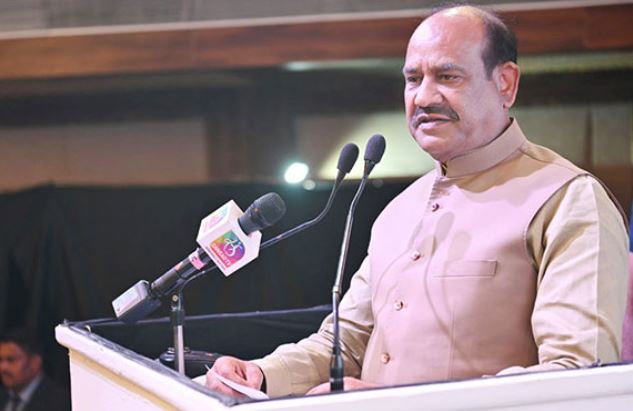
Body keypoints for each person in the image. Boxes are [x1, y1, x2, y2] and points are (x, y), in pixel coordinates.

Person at [205, 5, 629, 397]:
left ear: (505, 83)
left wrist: (394, 404)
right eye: (413, 79)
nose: (423, 97)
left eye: (447, 77)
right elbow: (346, 344)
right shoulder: (398, 211)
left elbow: (575, 378)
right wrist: (261, 374)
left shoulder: (567, 201)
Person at [0, 329, 70, 411]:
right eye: (0, 360)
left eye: (11, 359)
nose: (3, 367)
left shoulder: (61, 402)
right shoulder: (3, 397)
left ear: (35, 362)